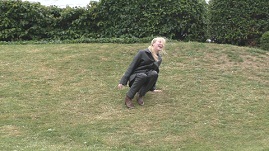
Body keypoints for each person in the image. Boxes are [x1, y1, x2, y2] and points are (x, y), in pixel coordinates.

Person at [117, 37, 166, 109]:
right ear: (153, 43)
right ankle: (128, 98)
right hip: (136, 77)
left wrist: (153, 88)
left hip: (146, 78)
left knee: (154, 73)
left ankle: (140, 95)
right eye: (159, 41)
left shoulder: (159, 59)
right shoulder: (142, 53)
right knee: (142, 75)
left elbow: (155, 73)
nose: (161, 43)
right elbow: (131, 67)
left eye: (163, 43)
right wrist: (122, 82)